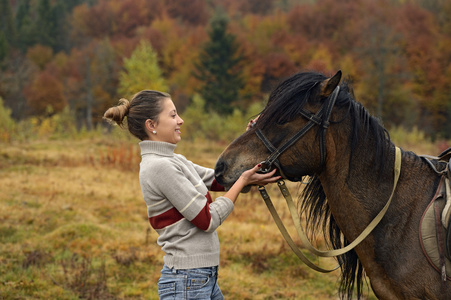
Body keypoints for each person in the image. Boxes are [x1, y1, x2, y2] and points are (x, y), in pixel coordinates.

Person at [103, 90, 280, 299]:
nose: (181, 120)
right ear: (151, 125)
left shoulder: (174, 160)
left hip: (200, 278)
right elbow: (207, 220)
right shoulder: (160, 167)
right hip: (187, 282)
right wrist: (243, 181)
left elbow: (220, 180)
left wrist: (250, 136)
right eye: (172, 115)